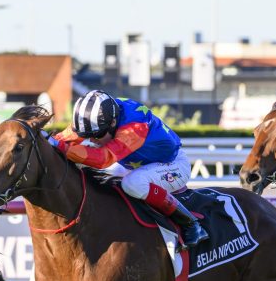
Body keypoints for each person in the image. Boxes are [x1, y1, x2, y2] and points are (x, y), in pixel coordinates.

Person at [48, 90, 209, 248]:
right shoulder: (100, 115)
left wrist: (63, 148)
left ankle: (190, 223)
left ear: (112, 124)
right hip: (136, 164)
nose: (91, 140)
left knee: (132, 183)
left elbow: (102, 159)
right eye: (87, 135)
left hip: (173, 164)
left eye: (96, 135)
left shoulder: (134, 127)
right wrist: (46, 139)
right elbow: (63, 138)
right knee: (101, 180)